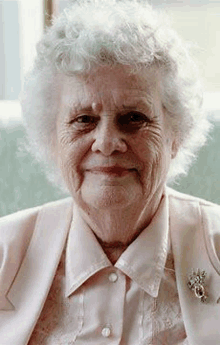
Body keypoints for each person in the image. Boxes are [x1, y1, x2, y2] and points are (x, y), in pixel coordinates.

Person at [0, 0, 219, 344]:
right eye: (84, 120)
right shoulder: (3, 255)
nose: (106, 142)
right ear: (51, 139)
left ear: (175, 136)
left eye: (134, 118)